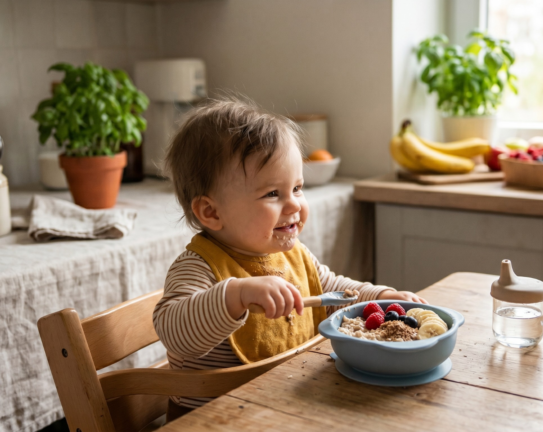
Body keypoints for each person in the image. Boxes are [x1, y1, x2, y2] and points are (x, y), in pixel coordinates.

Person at [153, 96, 427, 410]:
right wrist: (235, 295)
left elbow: (334, 293)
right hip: (212, 420)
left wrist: (382, 296)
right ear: (211, 212)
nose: (295, 204)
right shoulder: (198, 267)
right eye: (273, 193)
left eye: (297, 188)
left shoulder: (294, 255)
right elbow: (173, 331)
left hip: (281, 405)